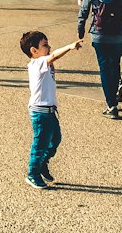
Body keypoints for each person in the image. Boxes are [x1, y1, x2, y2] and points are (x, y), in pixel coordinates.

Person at [20, 30, 83, 189]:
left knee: (56, 139)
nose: (48, 47)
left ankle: (42, 163)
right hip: (40, 112)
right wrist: (69, 47)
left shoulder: (44, 65)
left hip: (50, 110)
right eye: (45, 45)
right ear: (34, 51)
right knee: (40, 144)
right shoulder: (36, 64)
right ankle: (32, 173)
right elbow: (54, 55)